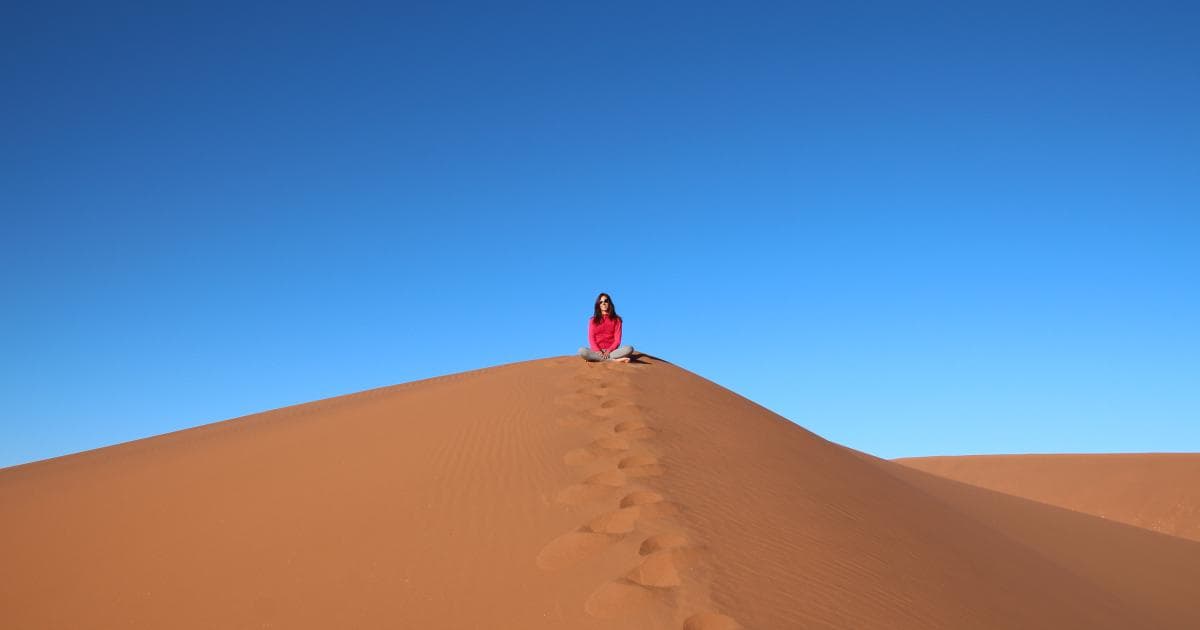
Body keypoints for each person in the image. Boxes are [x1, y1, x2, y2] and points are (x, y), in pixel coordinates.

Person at [578, 292, 634, 362]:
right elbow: (591, 338)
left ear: (609, 303)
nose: (603, 303)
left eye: (605, 301)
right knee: (581, 350)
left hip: (612, 352)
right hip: (596, 351)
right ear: (598, 305)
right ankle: (615, 361)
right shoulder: (593, 320)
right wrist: (598, 351)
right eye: (600, 302)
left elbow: (617, 340)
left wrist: (608, 351)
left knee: (629, 348)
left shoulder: (617, 320)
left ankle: (595, 359)